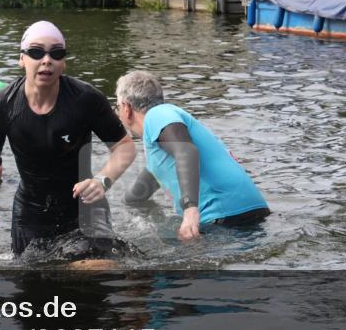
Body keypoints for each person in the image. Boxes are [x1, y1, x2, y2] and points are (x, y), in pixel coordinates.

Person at [0, 21, 137, 257]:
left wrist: (102, 181)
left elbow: (125, 148)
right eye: (36, 52)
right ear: (22, 59)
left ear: (63, 62)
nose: (47, 60)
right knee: (32, 277)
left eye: (56, 53)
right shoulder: (2, 104)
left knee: (95, 270)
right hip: (30, 214)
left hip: (85, 207)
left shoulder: (86, 99)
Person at [114, 71, 269, 241]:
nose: (118, 114)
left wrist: (190, 209)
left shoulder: (157, 114)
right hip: (252, 215)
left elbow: (186, 151)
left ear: (126, 108)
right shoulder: (159, 147)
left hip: (224, 219)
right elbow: (134, 197)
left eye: (117, 107)